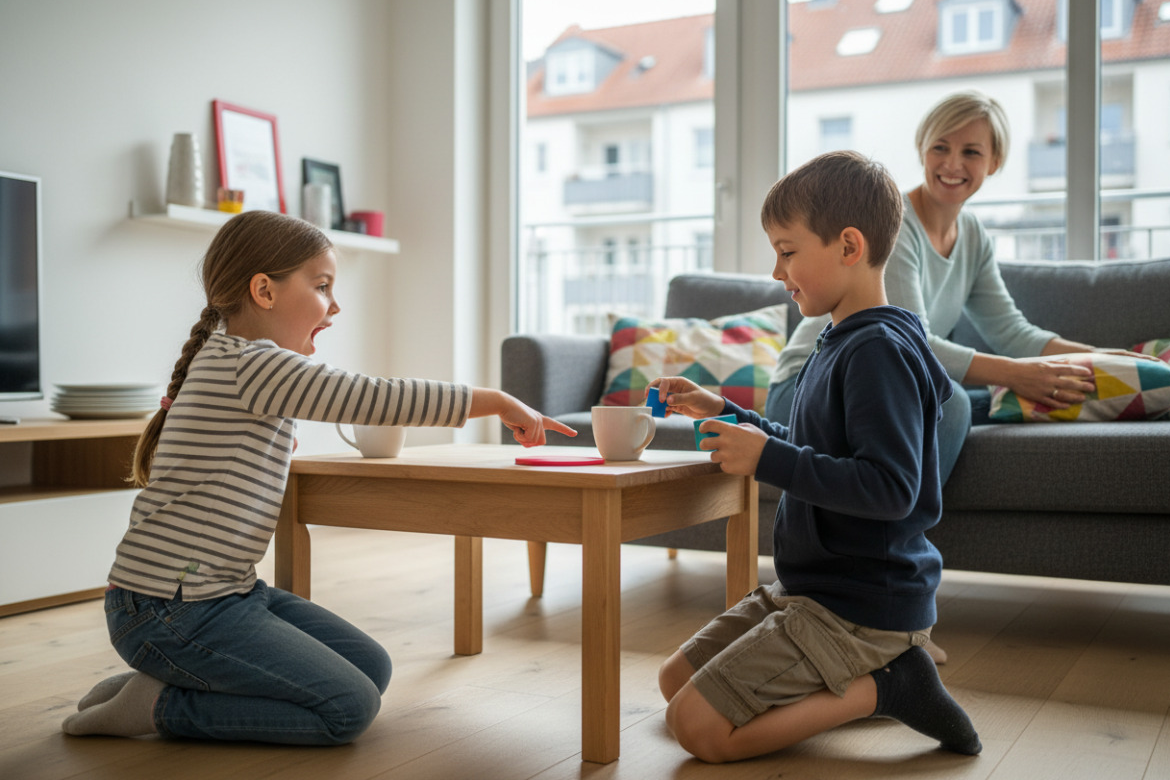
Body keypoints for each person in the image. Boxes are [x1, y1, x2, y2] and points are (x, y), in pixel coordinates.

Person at [61, 210, 575, 745]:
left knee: (370, 668)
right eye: (322, 285)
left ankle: (162, 678)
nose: (334, 305)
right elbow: (375, 396)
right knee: (348, 709)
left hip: (222, 595)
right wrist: (494, 401)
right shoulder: (252, 364)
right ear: (264, 290)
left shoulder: (239, 362)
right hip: (169, 609)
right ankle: (160, 706)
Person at [650, 151, 981, 764]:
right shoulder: (839, 338)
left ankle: (888, 686)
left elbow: (890, 488)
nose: (776, 271)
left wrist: (768, 459)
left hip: (860, 607)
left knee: (698, 730)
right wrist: (724, 413)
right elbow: (811, 447)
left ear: (849, 246)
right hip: (811, 589)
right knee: (675, 683)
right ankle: (845, 682)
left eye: (787, 250)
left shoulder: (877, 352)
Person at [768, 90, 1122, 488]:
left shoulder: (973, 237)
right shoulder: (892, 225)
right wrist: (1018, 374)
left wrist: (1107, 360)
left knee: (1023, 400)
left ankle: (898, 523)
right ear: (922, 149)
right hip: (808, 384)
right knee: (951, 404)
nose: (953, 164)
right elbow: (914, 345)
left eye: (971, 152)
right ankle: (899, 534)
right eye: (941, 147)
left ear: (994, 162)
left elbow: (1011, 332)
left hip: (879, 383)